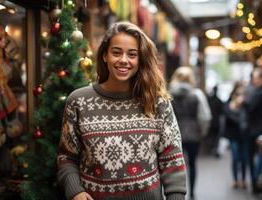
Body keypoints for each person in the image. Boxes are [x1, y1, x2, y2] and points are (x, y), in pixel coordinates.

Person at [57, 21, 187, 200]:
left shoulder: (157, 103)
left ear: (140, 59)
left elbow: (172, 158)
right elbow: (66, 156)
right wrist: (75, 191)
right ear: (104, 56)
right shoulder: (78, 101)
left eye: (132, 54)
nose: (124, 60)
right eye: (116, 52)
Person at [169, 66, 211, 200]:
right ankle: (192, 192)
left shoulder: (168, 95)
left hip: (174, 134)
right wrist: (202, 132)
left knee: (175, 166)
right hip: (193, 134)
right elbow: (205, 117)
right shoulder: (197, 94)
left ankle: (177, 194)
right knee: (192, 164)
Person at [245, 67, 262, 193]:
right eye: (253, 78)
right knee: (256, 157)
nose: (254, 80)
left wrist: (243, 102)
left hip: (257, 129)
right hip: (257, 128)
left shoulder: (260, 93)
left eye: (256, 78)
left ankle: (256, 180)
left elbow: (249, 107)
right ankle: (255, 182)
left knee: (258, 157)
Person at [222, 82, 248, 189]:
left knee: (243, 159)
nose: (240, 97)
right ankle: (235, 180)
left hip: (244, 136)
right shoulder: (228, 105)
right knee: (235, 158)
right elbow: (229, 117)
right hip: (233, 136)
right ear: (233, 95)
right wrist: (234, 108)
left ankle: (243, 180)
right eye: (238, 94)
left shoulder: (245, 106)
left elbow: (247, 119)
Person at [207, 85, 223, 158]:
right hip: (216, 121)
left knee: (211, 136)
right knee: (216, 137)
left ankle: (211, 149)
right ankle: (214, 149)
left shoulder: (209, 99)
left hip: (211, 120)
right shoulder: (219, 100)